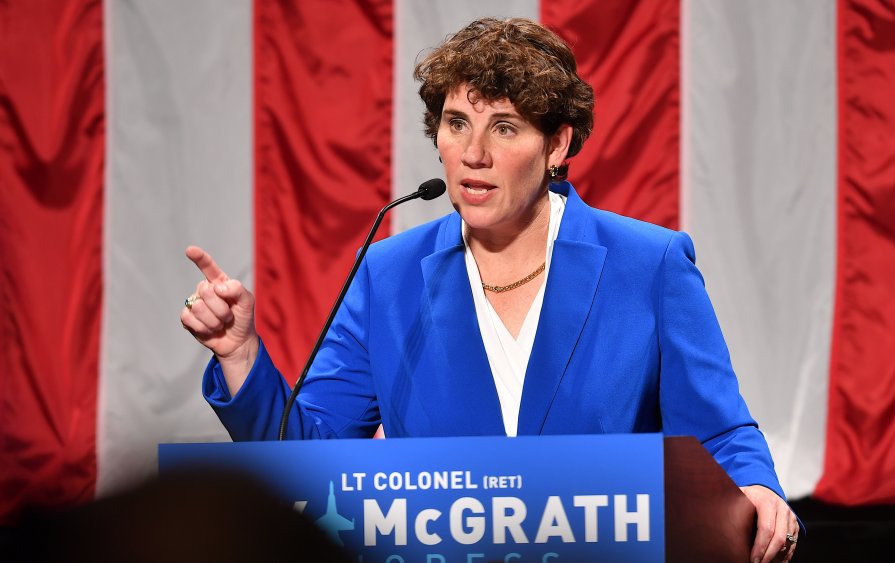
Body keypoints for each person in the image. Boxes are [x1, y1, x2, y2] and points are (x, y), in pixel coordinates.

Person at [180, 17, 799, 562]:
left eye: (504, 127)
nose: (473, 152)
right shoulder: (387, 274)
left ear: (556, 145)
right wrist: (240, 357)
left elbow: (718, 433)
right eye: (457, 123)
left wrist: (761, 489)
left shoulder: (649, 264)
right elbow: (306, 468)